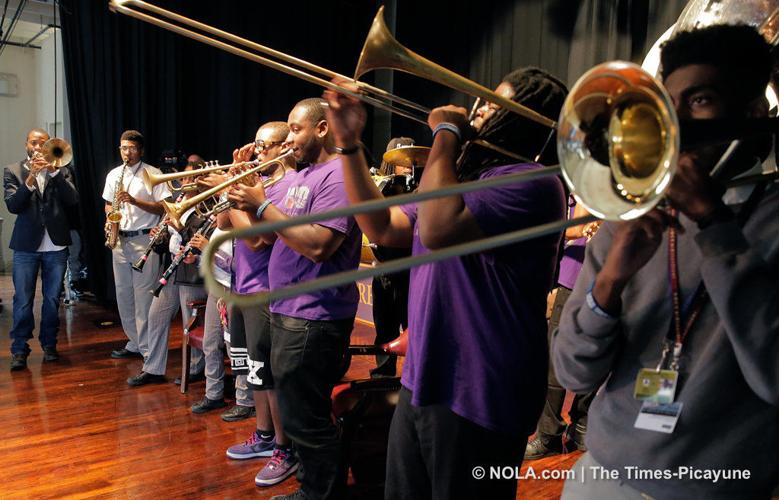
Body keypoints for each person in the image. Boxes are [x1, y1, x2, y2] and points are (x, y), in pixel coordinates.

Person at [554, 24, 779, 499]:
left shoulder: (771, 221)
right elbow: (572, 373)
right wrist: (609, 282)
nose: (675, 125)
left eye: (700, 100)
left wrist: (713, 223)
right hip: (600, 478)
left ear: (755, 113)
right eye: (668, 105)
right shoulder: (630, 219)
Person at [324, 67, 568, 499]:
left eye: (495, 103)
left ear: (524, 119)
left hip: (481, 393)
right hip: (426, 379)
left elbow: (436, 229)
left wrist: (447, 134)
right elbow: (382, 226)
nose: (478, 109)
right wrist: (348, 145)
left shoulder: (533, 183)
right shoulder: (462, 183)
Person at [229, 99, 362, 500]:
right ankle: (311, 487)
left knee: (308, 420)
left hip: (315, 316)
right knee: (300, 416)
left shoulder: (338, 175)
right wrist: (241, 190)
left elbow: (320, 245)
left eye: (295, 129)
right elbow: (262, 235)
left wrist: (263, 203)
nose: (289, 139)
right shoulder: (299, 178)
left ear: (321, 129)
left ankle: (320, 494)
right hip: (287, 310)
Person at [209, 121, 300, 488]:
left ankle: (284, 448)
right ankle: (263, 435)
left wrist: (235, 189)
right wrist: (230, 188)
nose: (257, 152)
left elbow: (258, 241)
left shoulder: (282, 188)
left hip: (265, 290)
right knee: (252, 370)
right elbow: (222, 222)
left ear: (285, 147)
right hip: (240, 286)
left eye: (265, 146)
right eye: (256, 144)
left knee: (267, 371)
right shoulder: (255, 185)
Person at [525, 201, 601, 459]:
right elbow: (572, 227)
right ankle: (549, 434)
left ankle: (581, 423)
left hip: (607, 274)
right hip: (573, 277)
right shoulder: (579, 183)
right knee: (555, 359)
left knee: (595, 353)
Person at [126, 160, 208, 386]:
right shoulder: (179, 201)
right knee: (156, 315)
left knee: (190, 320)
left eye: (191, 178)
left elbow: (198, 236)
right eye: (185, 178)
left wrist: (178, 226)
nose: (186, 182)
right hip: (172, 269)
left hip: (192, 270)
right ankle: (153, 368)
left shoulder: (206, 204)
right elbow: (170, 240)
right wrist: (159, 236)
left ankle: (196, 368)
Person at [4, 128, 79, 370]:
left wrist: (54, 172)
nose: (38, 147)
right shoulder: (12, 171)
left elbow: (73, 199)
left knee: (51, 299)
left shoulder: (63, 170)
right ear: (26, 144)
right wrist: (30, 180)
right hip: (26, 245)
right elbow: (14, 206)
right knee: (23, 300)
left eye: (42, 143)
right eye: (34, 143)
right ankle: (19, 349)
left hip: (56, 245)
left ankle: (49, 344)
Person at [102, 130, 170, 360]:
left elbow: (163, 207)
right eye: (123, 148)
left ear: (140, 150)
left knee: (143, 298)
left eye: (131, 148)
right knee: (124, 296)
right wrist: (109, 219)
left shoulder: (153, 173)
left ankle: (148, 349)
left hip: (144, 240)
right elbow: (108, 205)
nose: (126, 153)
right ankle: (134, 342)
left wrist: (134, 201)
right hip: (120, 239)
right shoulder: (114, 175)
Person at [369, 137, 415, 378]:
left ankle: (412, 376)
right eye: (402, 160)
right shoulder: (380, 187)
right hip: (384, 267)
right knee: (384, 325)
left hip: (410, 270)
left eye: (411, 161)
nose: (407, 165)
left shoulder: (421, 187)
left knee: (411, 326)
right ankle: (383, 372)